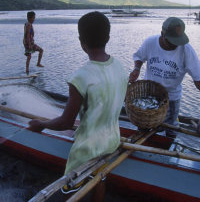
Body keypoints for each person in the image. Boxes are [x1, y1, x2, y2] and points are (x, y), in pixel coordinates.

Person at [28, 11, 128, 201]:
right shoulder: (120, 67)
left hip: (87, 150)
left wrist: (40, 125)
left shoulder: (80, 77)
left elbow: (66, 123)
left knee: (72, 190)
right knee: (100, 176)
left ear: (81, 41)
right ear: (108, 37)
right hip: (111, 141)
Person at [129, 17, 200, 138]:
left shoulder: (186, 49)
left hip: (171, 97)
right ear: (162, 34)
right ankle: (145, 146)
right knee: (144, 125)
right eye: (172, 41)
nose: (175, 45)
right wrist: (137, 69)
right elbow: (139, 57)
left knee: (171, 128)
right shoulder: (150, 42)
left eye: (177, 41)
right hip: (149, 93)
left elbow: (198, 77)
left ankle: (169, 149)